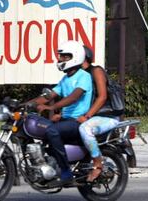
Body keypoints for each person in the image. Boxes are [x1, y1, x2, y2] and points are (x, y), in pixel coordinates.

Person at [33, 40, 93, 186]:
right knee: (41, 129)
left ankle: (66, 171)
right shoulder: (65, 79)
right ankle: (48, 167)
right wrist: (25, 105)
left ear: (75, 57)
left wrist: (50, 108)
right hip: (65, 120)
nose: (59, 59)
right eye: (60, 56)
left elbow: (74, 97)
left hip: (76, 122)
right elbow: (49, 95)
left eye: (64, 57)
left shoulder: (83, 76)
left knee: (51, 130)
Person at [77, 46, 121, 182]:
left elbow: (102, 97)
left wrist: (87, 115)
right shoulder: (77, 75)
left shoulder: (96, 71)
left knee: (85, 129)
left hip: (106, 115)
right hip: (90, 116)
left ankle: (97, 163)